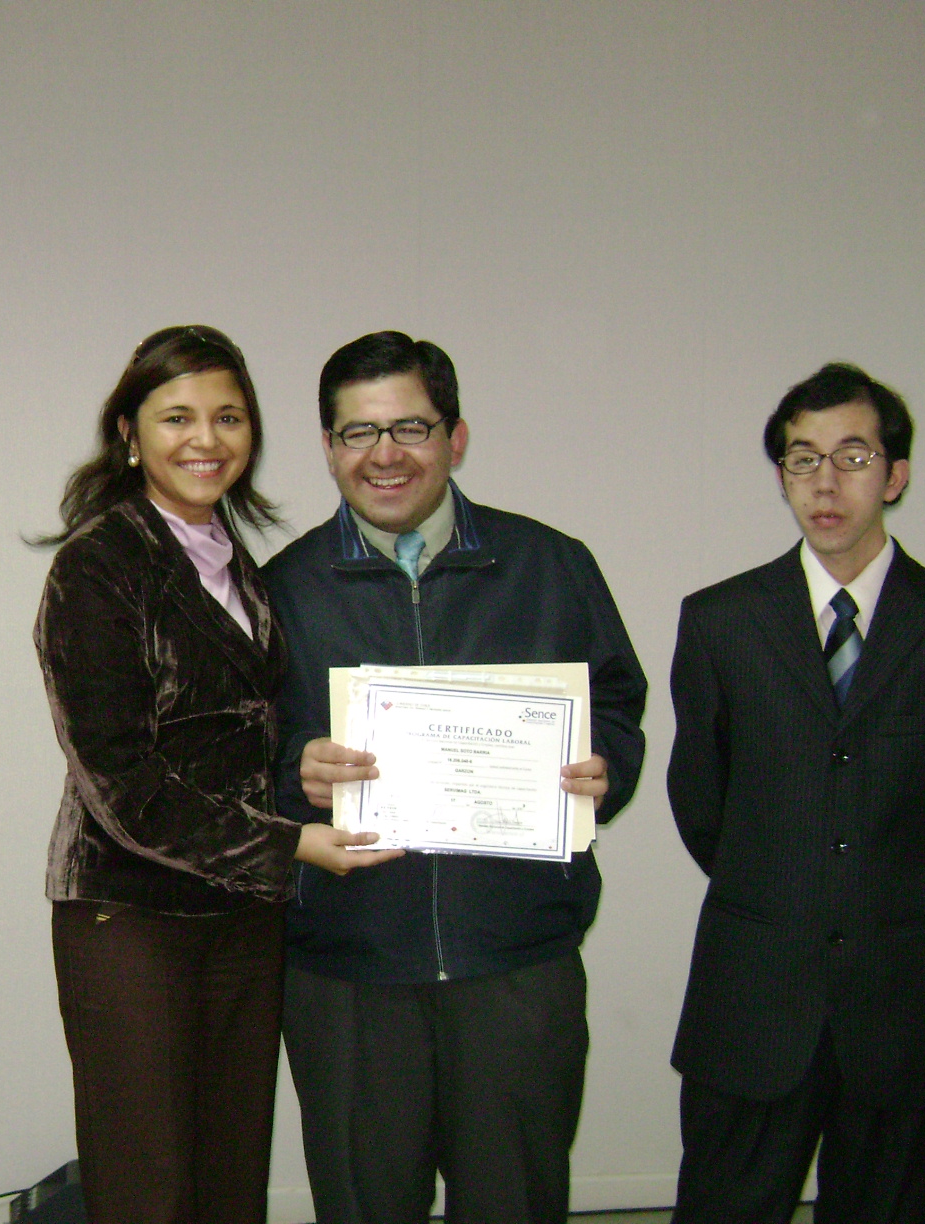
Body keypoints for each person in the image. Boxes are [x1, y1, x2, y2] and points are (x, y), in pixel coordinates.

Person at [263, 330, 647, 1224]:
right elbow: (241, 757)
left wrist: (606, 767)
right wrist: (295, 773)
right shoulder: (279, 591)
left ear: (456, 437)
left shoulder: (551, 565)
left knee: (516, 1204)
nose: (385, 455)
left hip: (515, 964)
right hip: (349, 975)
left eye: (411, 428)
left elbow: (619, 707)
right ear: (327, 448)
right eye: (358, 433)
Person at [35, 325, 398, 1224]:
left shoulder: (239, 563)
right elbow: (124, 789)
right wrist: (293, 843)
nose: (207, 439)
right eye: (178, 417)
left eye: (229, 417)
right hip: (131, 916)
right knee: (147, 1187)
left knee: (232, 1175)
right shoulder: (98, 566)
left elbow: (245, 737)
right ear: (128, 432)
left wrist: (302, 768)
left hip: (241, 916)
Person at [667, 362, 925, 1224]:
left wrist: (874, 884)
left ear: (895, 475)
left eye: (852, 458)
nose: (825, 483)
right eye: (801, 459)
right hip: (753, 992)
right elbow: (700, 800)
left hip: (902, 988)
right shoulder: (720, 621)